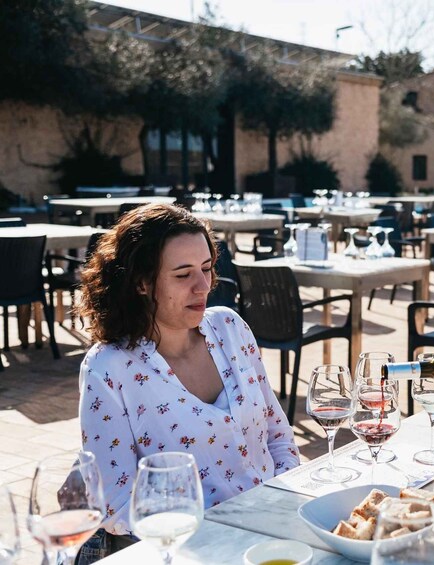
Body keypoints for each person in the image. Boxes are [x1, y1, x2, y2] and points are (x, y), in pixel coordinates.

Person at [74, 203, 300, 562]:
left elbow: (278, 435)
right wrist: (218, 536)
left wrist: (283, 507)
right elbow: (114, 503)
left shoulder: (231, 327)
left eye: (207, 268)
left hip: (269, 539)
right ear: (141, 283)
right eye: (183, 275)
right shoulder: (109, 368)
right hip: (186, 551)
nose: (204, 286)